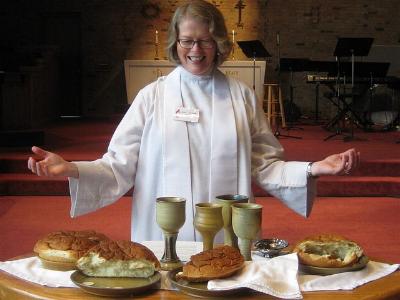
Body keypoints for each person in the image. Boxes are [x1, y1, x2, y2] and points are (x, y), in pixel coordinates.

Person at [28, 0, 359, 243]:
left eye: (205, 40)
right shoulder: (152, 97)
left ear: (218, 44)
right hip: (162, 234)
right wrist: (71, 169)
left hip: (227, 233)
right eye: (187, 40)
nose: (196, 49)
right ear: (176, 43)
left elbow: (266, 165)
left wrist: (313, 169)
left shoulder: (241, 97)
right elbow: (118, 166)